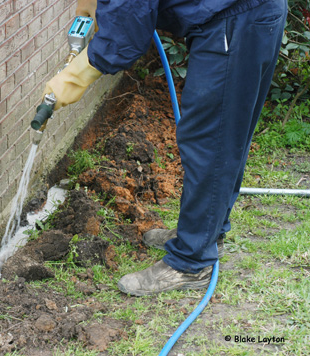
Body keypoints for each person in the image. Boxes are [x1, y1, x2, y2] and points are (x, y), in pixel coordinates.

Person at [44, 0, 288, 296]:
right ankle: (206, 234)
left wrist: (75, 75)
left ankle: (190, 262)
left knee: (211, 139)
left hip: (235, 19)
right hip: (242, 13)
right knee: (224, 133)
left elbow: (126, 31)